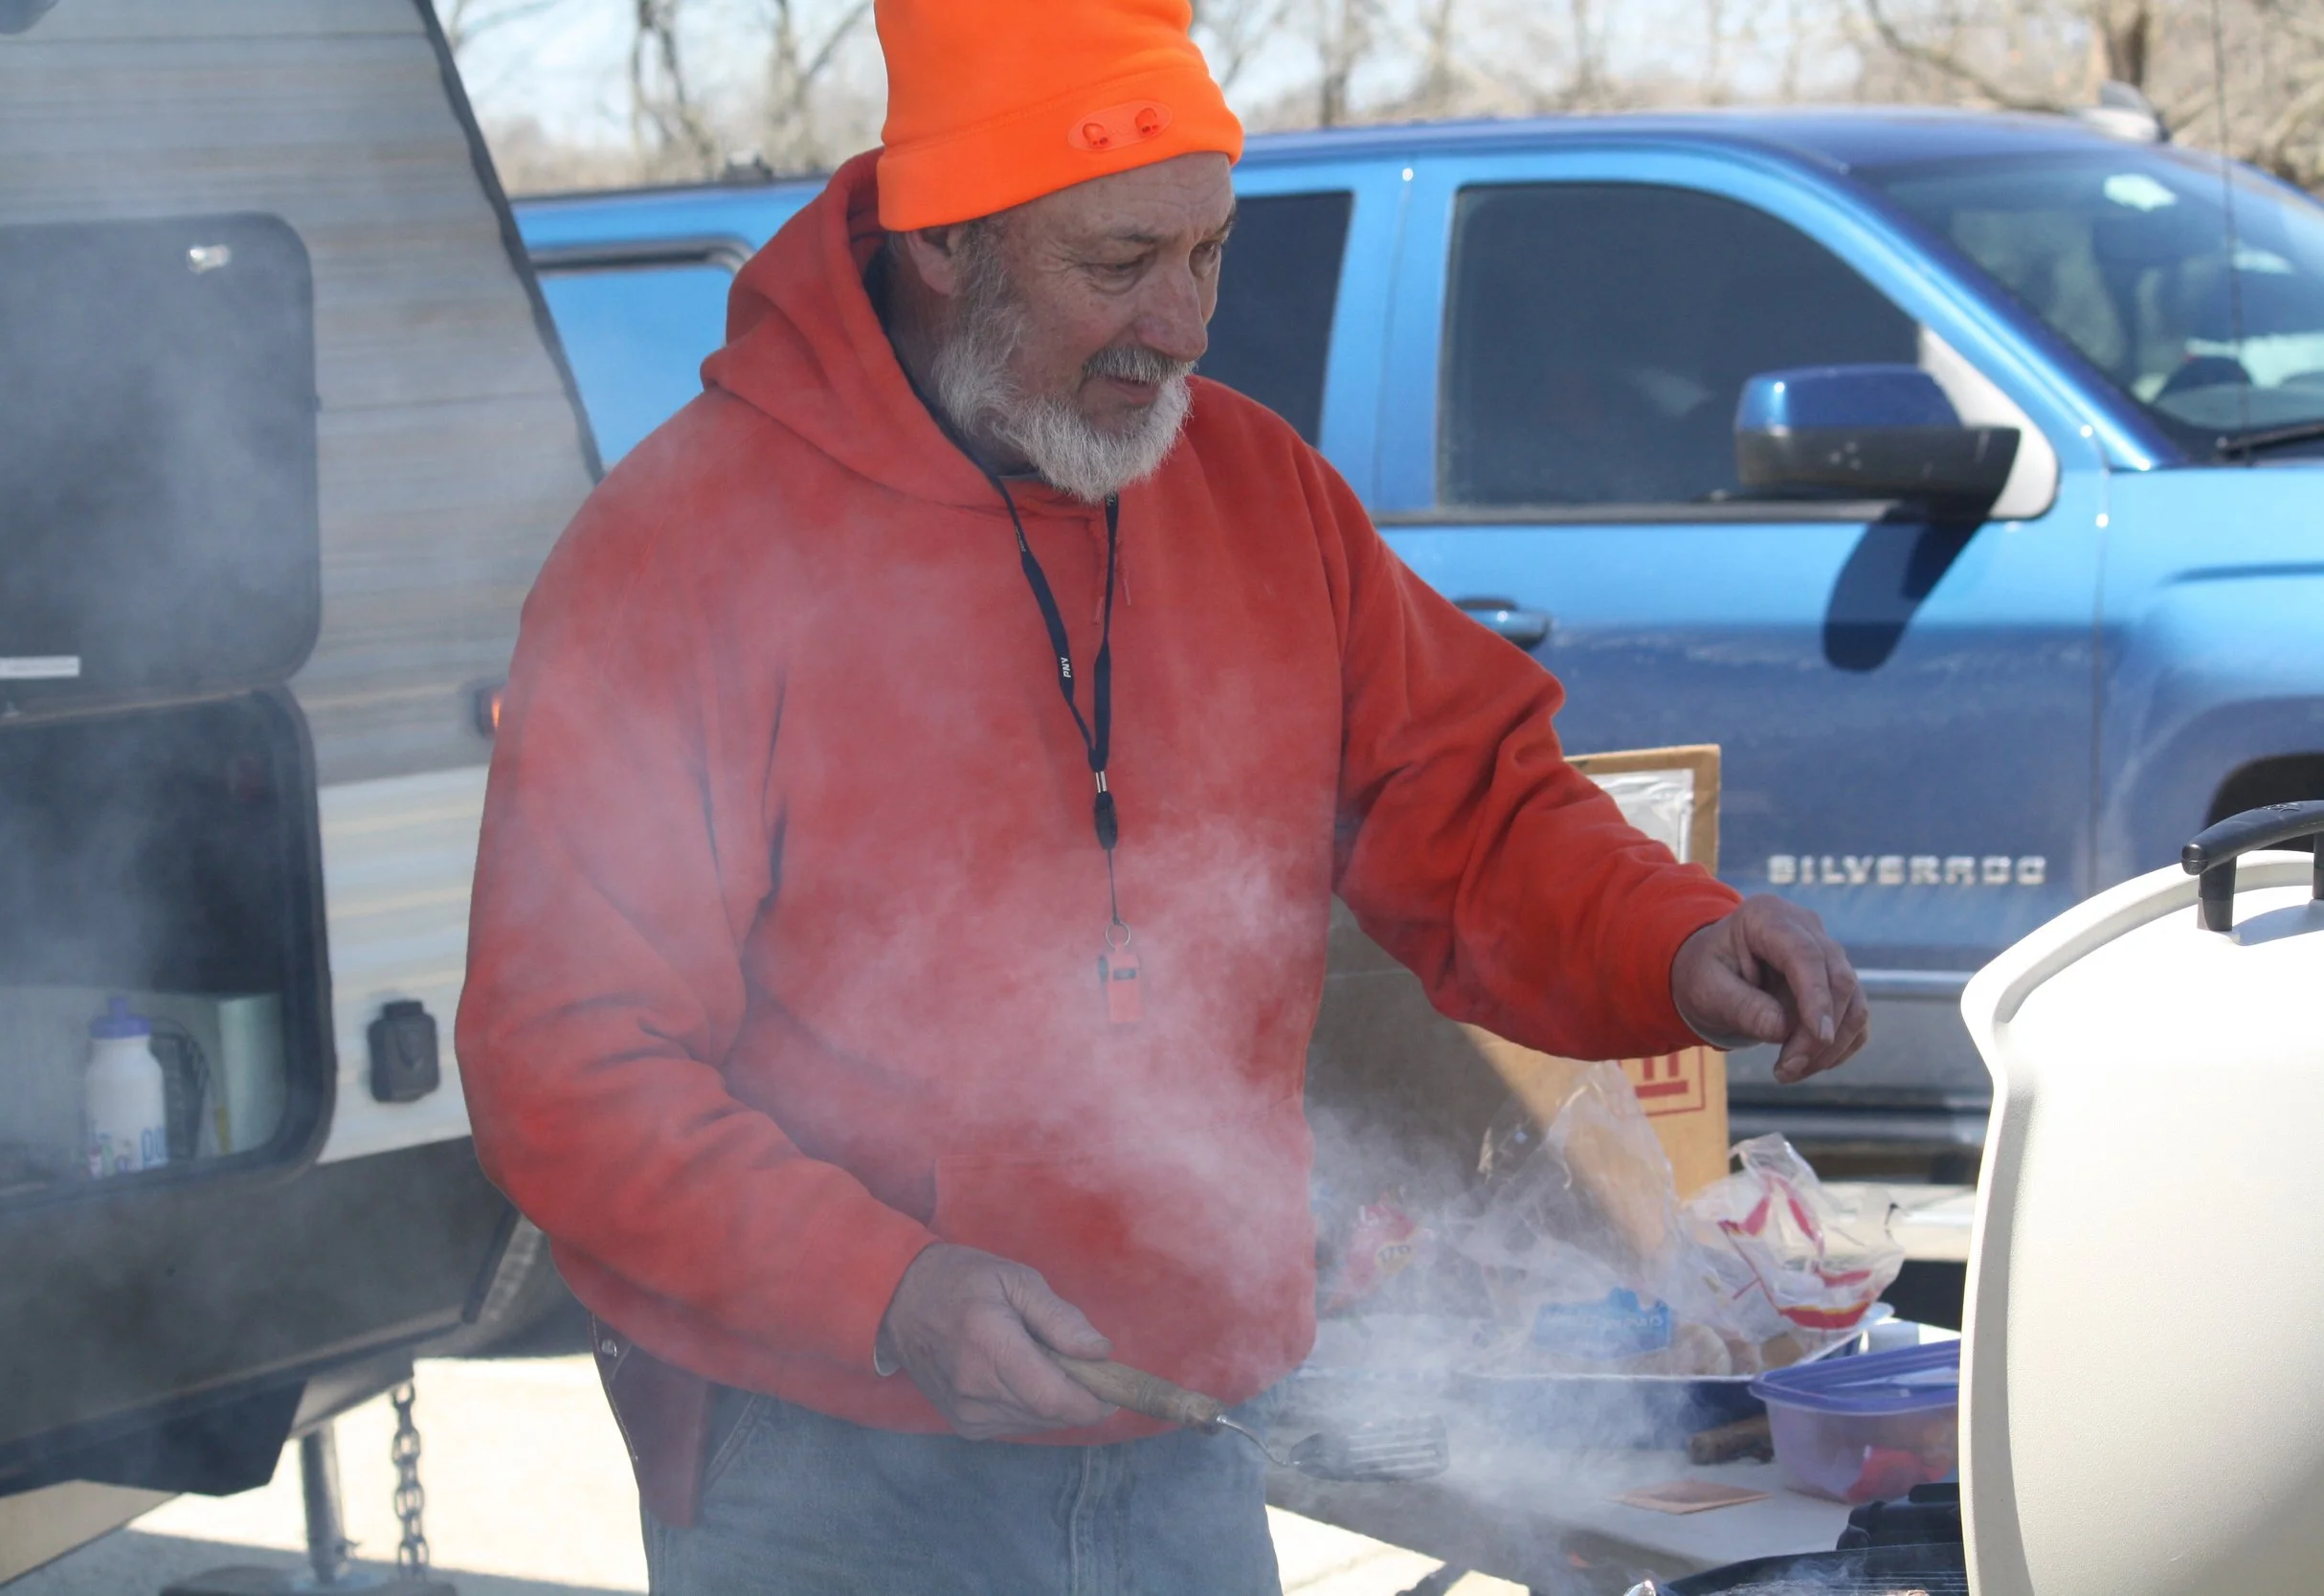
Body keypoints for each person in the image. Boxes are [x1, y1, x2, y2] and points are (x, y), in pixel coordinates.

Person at [455, 1, 1869, 1588]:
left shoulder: (1258, 494)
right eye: (1119, 265)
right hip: (829, 1461)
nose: (1184, 322)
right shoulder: (683, 550)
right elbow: (562, 1059)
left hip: (1190, 1425)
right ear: (943, 244)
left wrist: (1673, 938)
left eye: (1209, 253)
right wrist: (887, 1288)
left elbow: (1473, 802)